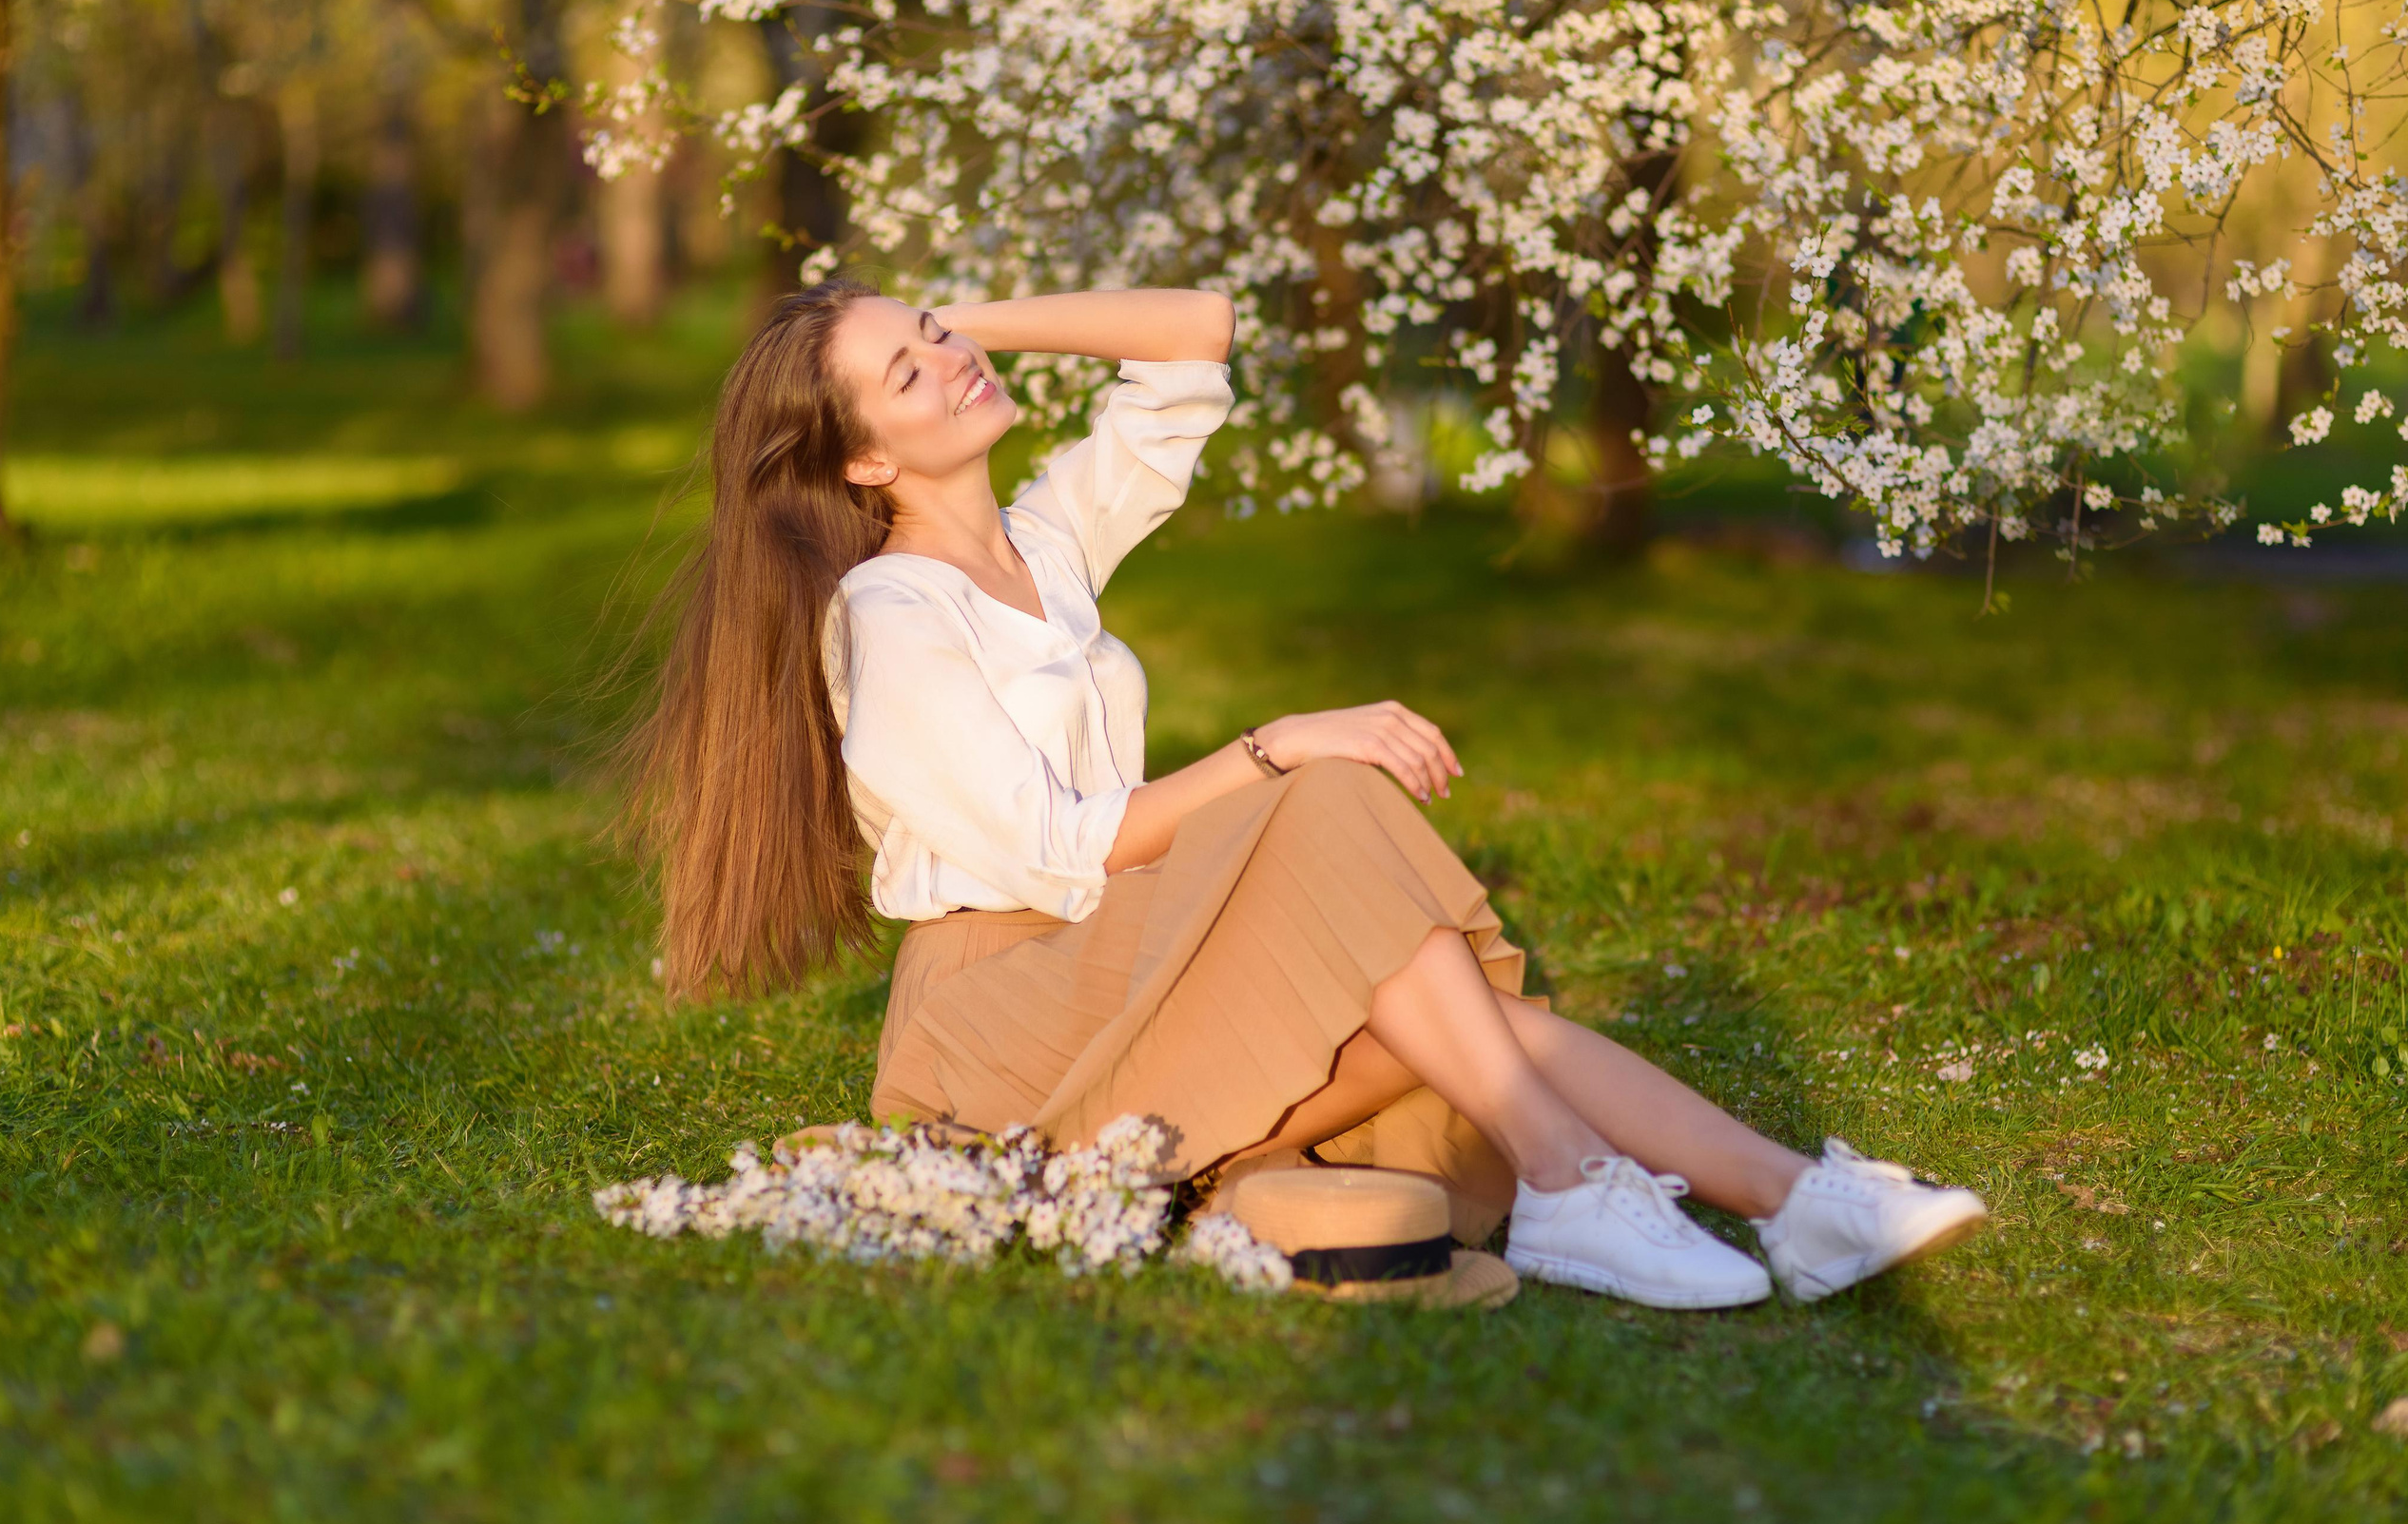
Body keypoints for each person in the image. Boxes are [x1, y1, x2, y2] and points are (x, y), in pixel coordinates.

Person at [624, 279, 1987, 1308]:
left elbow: (1193, 337)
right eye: (908, 377)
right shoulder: (890, 611)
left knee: (1447, 997)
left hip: (1116, 952)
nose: (953, 362)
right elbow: (1056, 852)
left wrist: (960, 320)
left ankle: (1795, 1200)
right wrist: (1270, 746)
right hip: (1006, 1020)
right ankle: (1586, 1181)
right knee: (1328, 806)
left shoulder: (1045, 542)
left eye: (936, 334)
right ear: (863, 463)